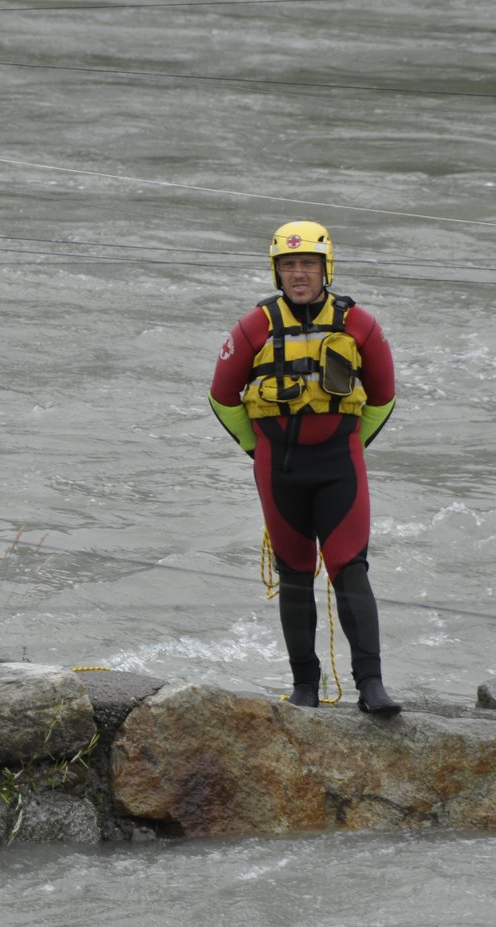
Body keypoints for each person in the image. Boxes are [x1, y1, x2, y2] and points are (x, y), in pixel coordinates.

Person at [208, 221, 402, 715]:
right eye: (289, 265)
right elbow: (222, 397)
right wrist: (258, 450)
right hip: (278, 469)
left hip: (341, 465)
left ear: (326, 268)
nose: (299, 274)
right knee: (295, 574)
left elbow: (382, 396)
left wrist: (354, 442)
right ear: (277, 271)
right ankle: (304, 688)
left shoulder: (360, 324)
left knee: (349, 568)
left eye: (308, 265)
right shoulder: (252, 327)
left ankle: (372, 685)